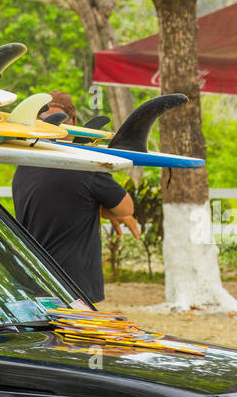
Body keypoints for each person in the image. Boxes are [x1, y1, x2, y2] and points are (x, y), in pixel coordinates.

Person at [10, 91, 141, 304]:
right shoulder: (84, 167)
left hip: (34, 282)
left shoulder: (24, 166)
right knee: (78, 339)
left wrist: (94, 207)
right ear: (75, 122)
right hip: (73, 288)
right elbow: (126, 208)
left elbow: (64, 204)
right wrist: (104, 210)